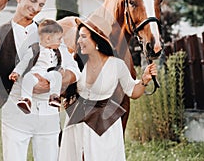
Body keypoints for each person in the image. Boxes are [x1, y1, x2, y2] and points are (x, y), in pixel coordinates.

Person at [0, 0, 80, 161]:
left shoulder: (49, 31)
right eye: (32, 1)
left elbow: (74, 70)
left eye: (41, 4)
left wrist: (57, 81)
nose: (36, 8)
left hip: (48, 112)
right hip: (15, 110)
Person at [58, 18, 158, 161]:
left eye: (84, 36)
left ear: (97, 40)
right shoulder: (76, 63)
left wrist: (144, 80)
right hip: (77, 118)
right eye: (79, 36)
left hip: (104, 122)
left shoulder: (117, 65)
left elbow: (133, 92)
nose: (79, 41)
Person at [8, 19, 65, 114]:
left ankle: (54, 97)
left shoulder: (56, 52)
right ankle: (26, 100)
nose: (60, 42)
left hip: (47, 74)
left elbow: (58, 64)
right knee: (27, 78)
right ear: (48, 39)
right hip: (35, 74)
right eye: (59, 39)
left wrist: (60, 69)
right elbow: (24, 62)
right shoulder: (34, 49)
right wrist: (16, 72)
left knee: (57, 76)